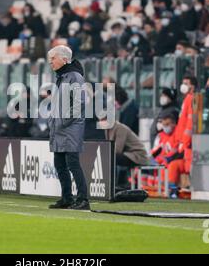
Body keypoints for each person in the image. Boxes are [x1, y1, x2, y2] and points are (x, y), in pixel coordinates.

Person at [47, 45, 89, 210]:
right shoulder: (63, 76)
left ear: (64, 59)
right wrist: (53, 121)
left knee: (73, 164)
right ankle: (67, 197)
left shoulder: (74, 77)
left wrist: (62, 121)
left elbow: (79, 104)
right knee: (60, 164)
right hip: (60, 129)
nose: (51, 62)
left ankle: (83, 199)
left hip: (70, 129)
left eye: (53, 58)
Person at [99, 118, 149, 189]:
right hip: (127, 153)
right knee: (108, 157)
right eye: (100, 120)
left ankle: (114, 185)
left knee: (111, 157)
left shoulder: (120, 128)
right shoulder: (107, 129)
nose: (101, 122)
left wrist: (104, 153)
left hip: (137, 155)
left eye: (103, 120)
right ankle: (112, 184)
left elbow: (117, 149)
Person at [151, 113, 185, 198]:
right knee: (146, 166)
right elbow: (155, 151)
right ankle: (149, 189)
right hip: (162, 160)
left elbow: (179, 150)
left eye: (167, 124)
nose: (165, 127)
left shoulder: (178, 133)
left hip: (177, 159)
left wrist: (167, 158)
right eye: (164, 125)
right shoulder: (160, 135)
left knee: (167, 165)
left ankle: (170, 190)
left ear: (173, 123)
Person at [176, 75, 197, 189]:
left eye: (186, 83)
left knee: (189, 164)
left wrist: (185, 140)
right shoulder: (187, 98)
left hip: (188, 140)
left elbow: (190, 122)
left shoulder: (192, 99)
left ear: (192, 86)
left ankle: (191, 188)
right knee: (186, 163)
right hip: (184, 139)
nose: (183, 85)